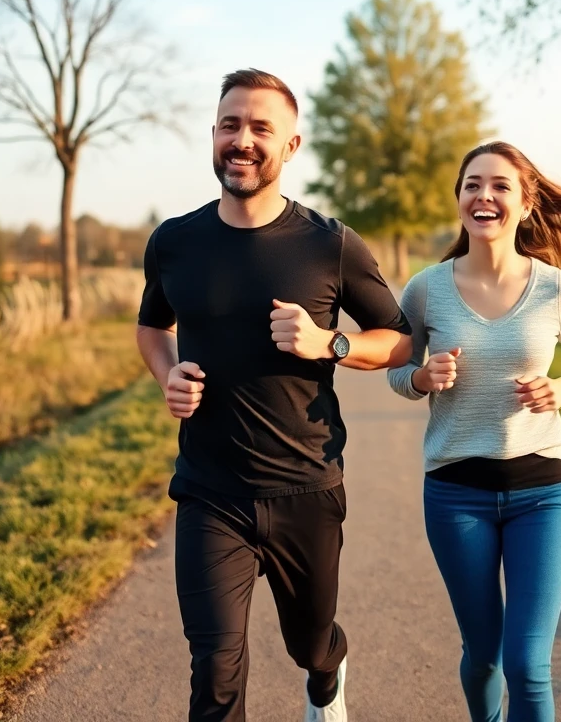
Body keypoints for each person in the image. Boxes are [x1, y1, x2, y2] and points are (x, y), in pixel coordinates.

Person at [136, 68, 412, 722]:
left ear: (290, 147)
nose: (243, 140)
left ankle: (327, 679)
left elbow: (398, 340)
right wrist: (168, 374)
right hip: (209, 490)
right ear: (213, 135)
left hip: (306, 487)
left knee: (310, 644)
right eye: (231, 124)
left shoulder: (329, 244)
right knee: (215, 668)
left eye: (262, 127)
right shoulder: (174, 242)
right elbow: (152, 328)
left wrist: (329, 344)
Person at [387, 141, 561, 722]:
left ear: (524, 201)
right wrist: (422, 376)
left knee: (528, 663)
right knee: (484, 656)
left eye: (498, 186)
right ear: (460, 199)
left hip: (542, 492)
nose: (483, 196)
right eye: (471, 185)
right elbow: (394, 371)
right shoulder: (425, 288)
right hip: (455, 493)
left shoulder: (557, 288)